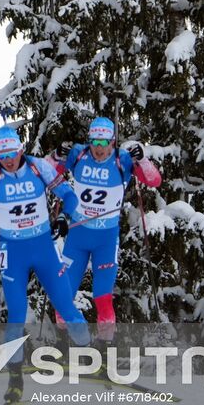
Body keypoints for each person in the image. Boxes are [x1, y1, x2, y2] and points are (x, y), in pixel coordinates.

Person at [0, 125, 89, 402]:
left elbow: (69, 195)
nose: (8, 159)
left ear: (20, 149)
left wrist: (64, 217)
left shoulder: (39, 168)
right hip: (12, 252)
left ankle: (92, 358)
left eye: (12, 153)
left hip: (42, 248)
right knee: (16, 315)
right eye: (2, 155)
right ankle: (15, 382)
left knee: (66, 307)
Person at [52, 116, 161, 339]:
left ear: (112, 141)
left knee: (103, 299)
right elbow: (45, 172)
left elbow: (153, 180)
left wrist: (143, 161)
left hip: (106, 239)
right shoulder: (79, 154)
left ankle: (104, 357)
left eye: (104, 143)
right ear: (89, 141)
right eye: (95, 142)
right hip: (78, 236)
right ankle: (62, 354)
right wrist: (56, 155)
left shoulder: (122, 159)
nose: (99, 148)